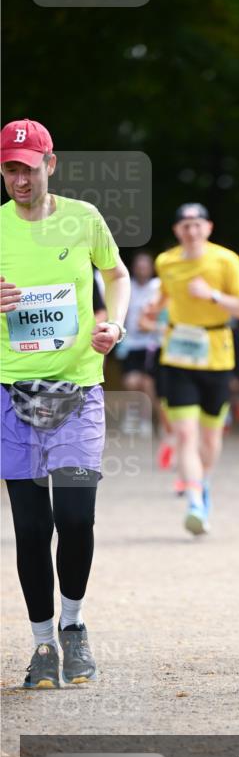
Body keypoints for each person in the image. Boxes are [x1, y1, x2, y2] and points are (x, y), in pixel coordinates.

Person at [0, 118, 130, 689]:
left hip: (77, 388)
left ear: (50, 164)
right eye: (9, 168)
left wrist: (115, 323)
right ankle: (42, 644)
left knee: (76, 519)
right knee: (31, 529)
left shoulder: (84, 219)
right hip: (12, 394)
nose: (19, 179)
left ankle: (74, 625)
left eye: (28, 167)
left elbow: (117, 273)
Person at [153, 203, 239, 535]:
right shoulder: (165, 262)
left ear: (208, 228)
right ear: (176, 231)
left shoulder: (226, 260)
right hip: (178, 355)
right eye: (185, 225)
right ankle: (195, 499)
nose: (192, 231)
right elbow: (165, 298)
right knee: (185, 434)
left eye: (197, 224)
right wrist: (153, 311)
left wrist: (211, 295)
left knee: (210, 439)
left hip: (216, 355)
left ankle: (203, 481)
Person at [118, 251, 161, 436]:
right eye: (139, 266)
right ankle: (132, 414)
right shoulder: (126, 286)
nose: (142, 269)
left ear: (151, 268)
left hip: (153, 343)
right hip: (131, 344)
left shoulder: (158, 287)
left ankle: (145, 420)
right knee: (131, 381)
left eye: (146, 266)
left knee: (148, 383)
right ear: (134, 268)